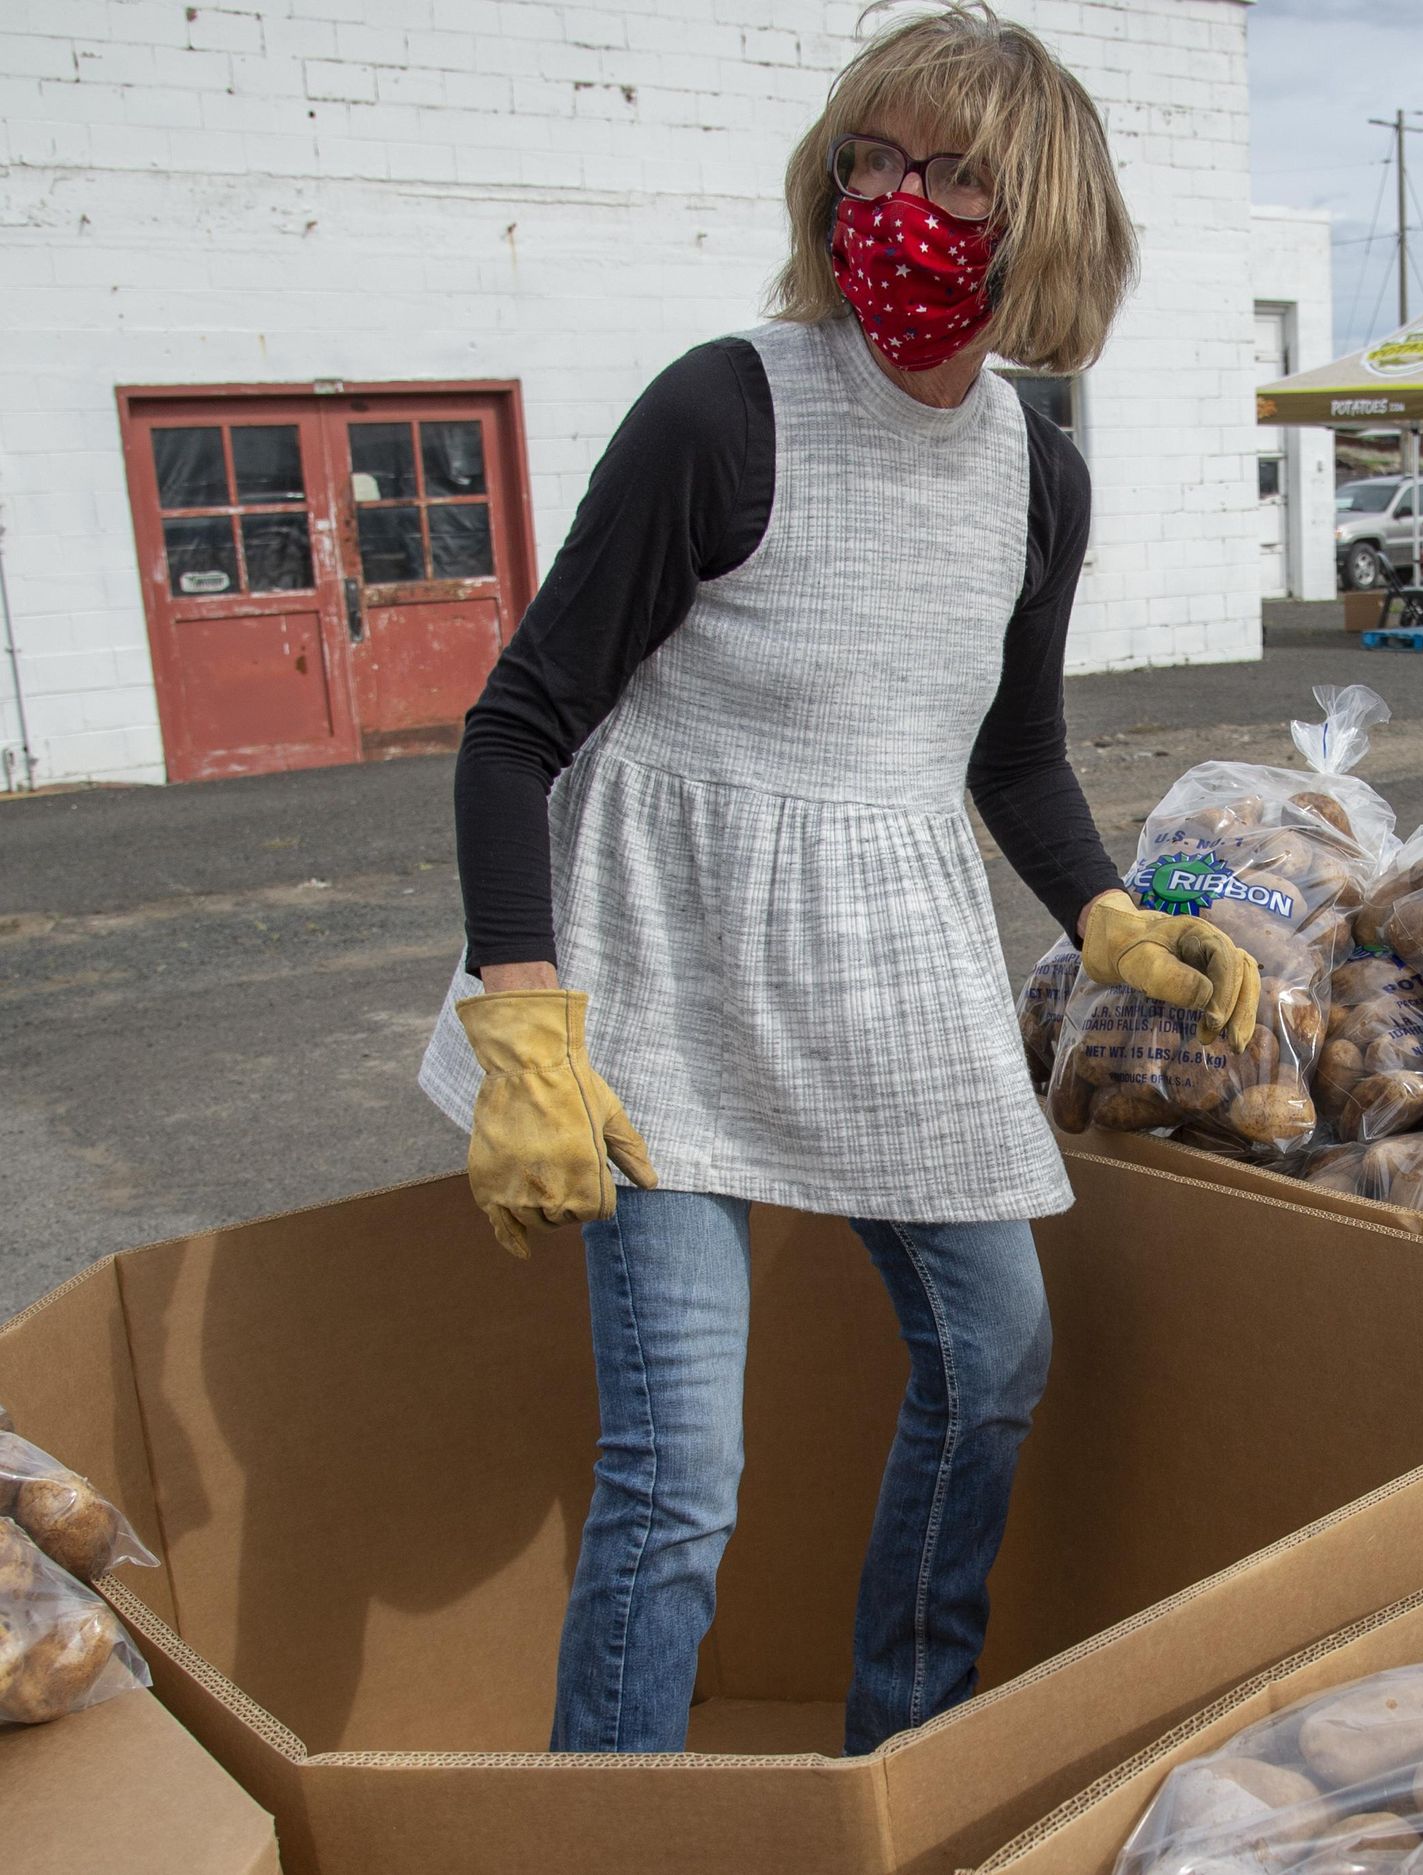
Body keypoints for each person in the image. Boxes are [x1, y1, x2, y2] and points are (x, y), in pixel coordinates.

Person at [417, 2, 1259, 1756]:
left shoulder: (1041, 472)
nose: (898, 206)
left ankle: (903, 1749)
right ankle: (608, 1835)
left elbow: (1004, 750)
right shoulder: (724, 413)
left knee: (997, 1354)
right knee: (679, 1474)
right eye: (868, 163)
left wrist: (1102, 912)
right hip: (650, 976)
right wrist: (525, 1019)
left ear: (1049, 222)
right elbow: (519, 729)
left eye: (955, 175)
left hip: (886, 965)